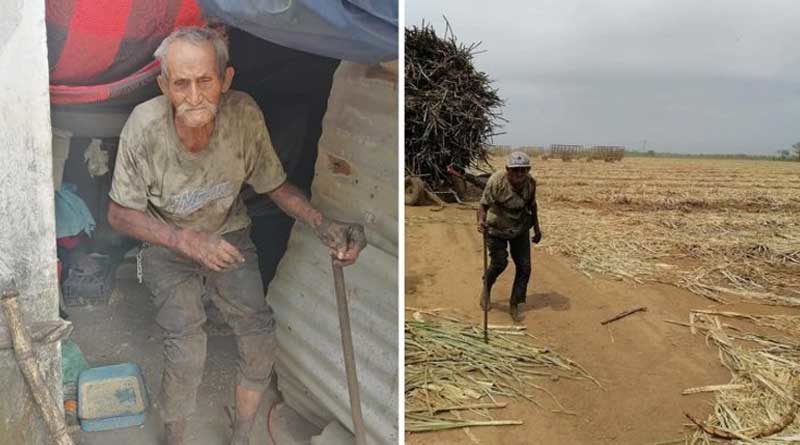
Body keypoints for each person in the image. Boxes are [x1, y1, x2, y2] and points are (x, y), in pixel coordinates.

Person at [106, 27, 366, 445]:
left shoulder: (243, 115)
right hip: (166, 243)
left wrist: (323, 225)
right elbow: (119, 214)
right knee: (186, 346)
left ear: (225, 80)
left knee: (259, 338)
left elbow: (275, 186)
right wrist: (187, 241)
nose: (194, 95)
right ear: (163, 86)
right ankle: (175, 438)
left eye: (205, 81)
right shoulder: (145, 127)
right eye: (181, 84)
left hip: (229, 235)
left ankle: (241, 435)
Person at [477, 151, 542, 323]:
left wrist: (537, 228)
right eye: (515, 170)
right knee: (500, 263)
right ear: (507, 170)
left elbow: (532, 206)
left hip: (519, 228)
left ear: (527, 170)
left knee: (524, 267)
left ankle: (515, 303)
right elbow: (483, 206)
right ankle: (487, 287)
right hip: (496, 228)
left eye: (523, 170)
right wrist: (480, 221)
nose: (519, 174)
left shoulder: (531, 184)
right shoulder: (496, 181)